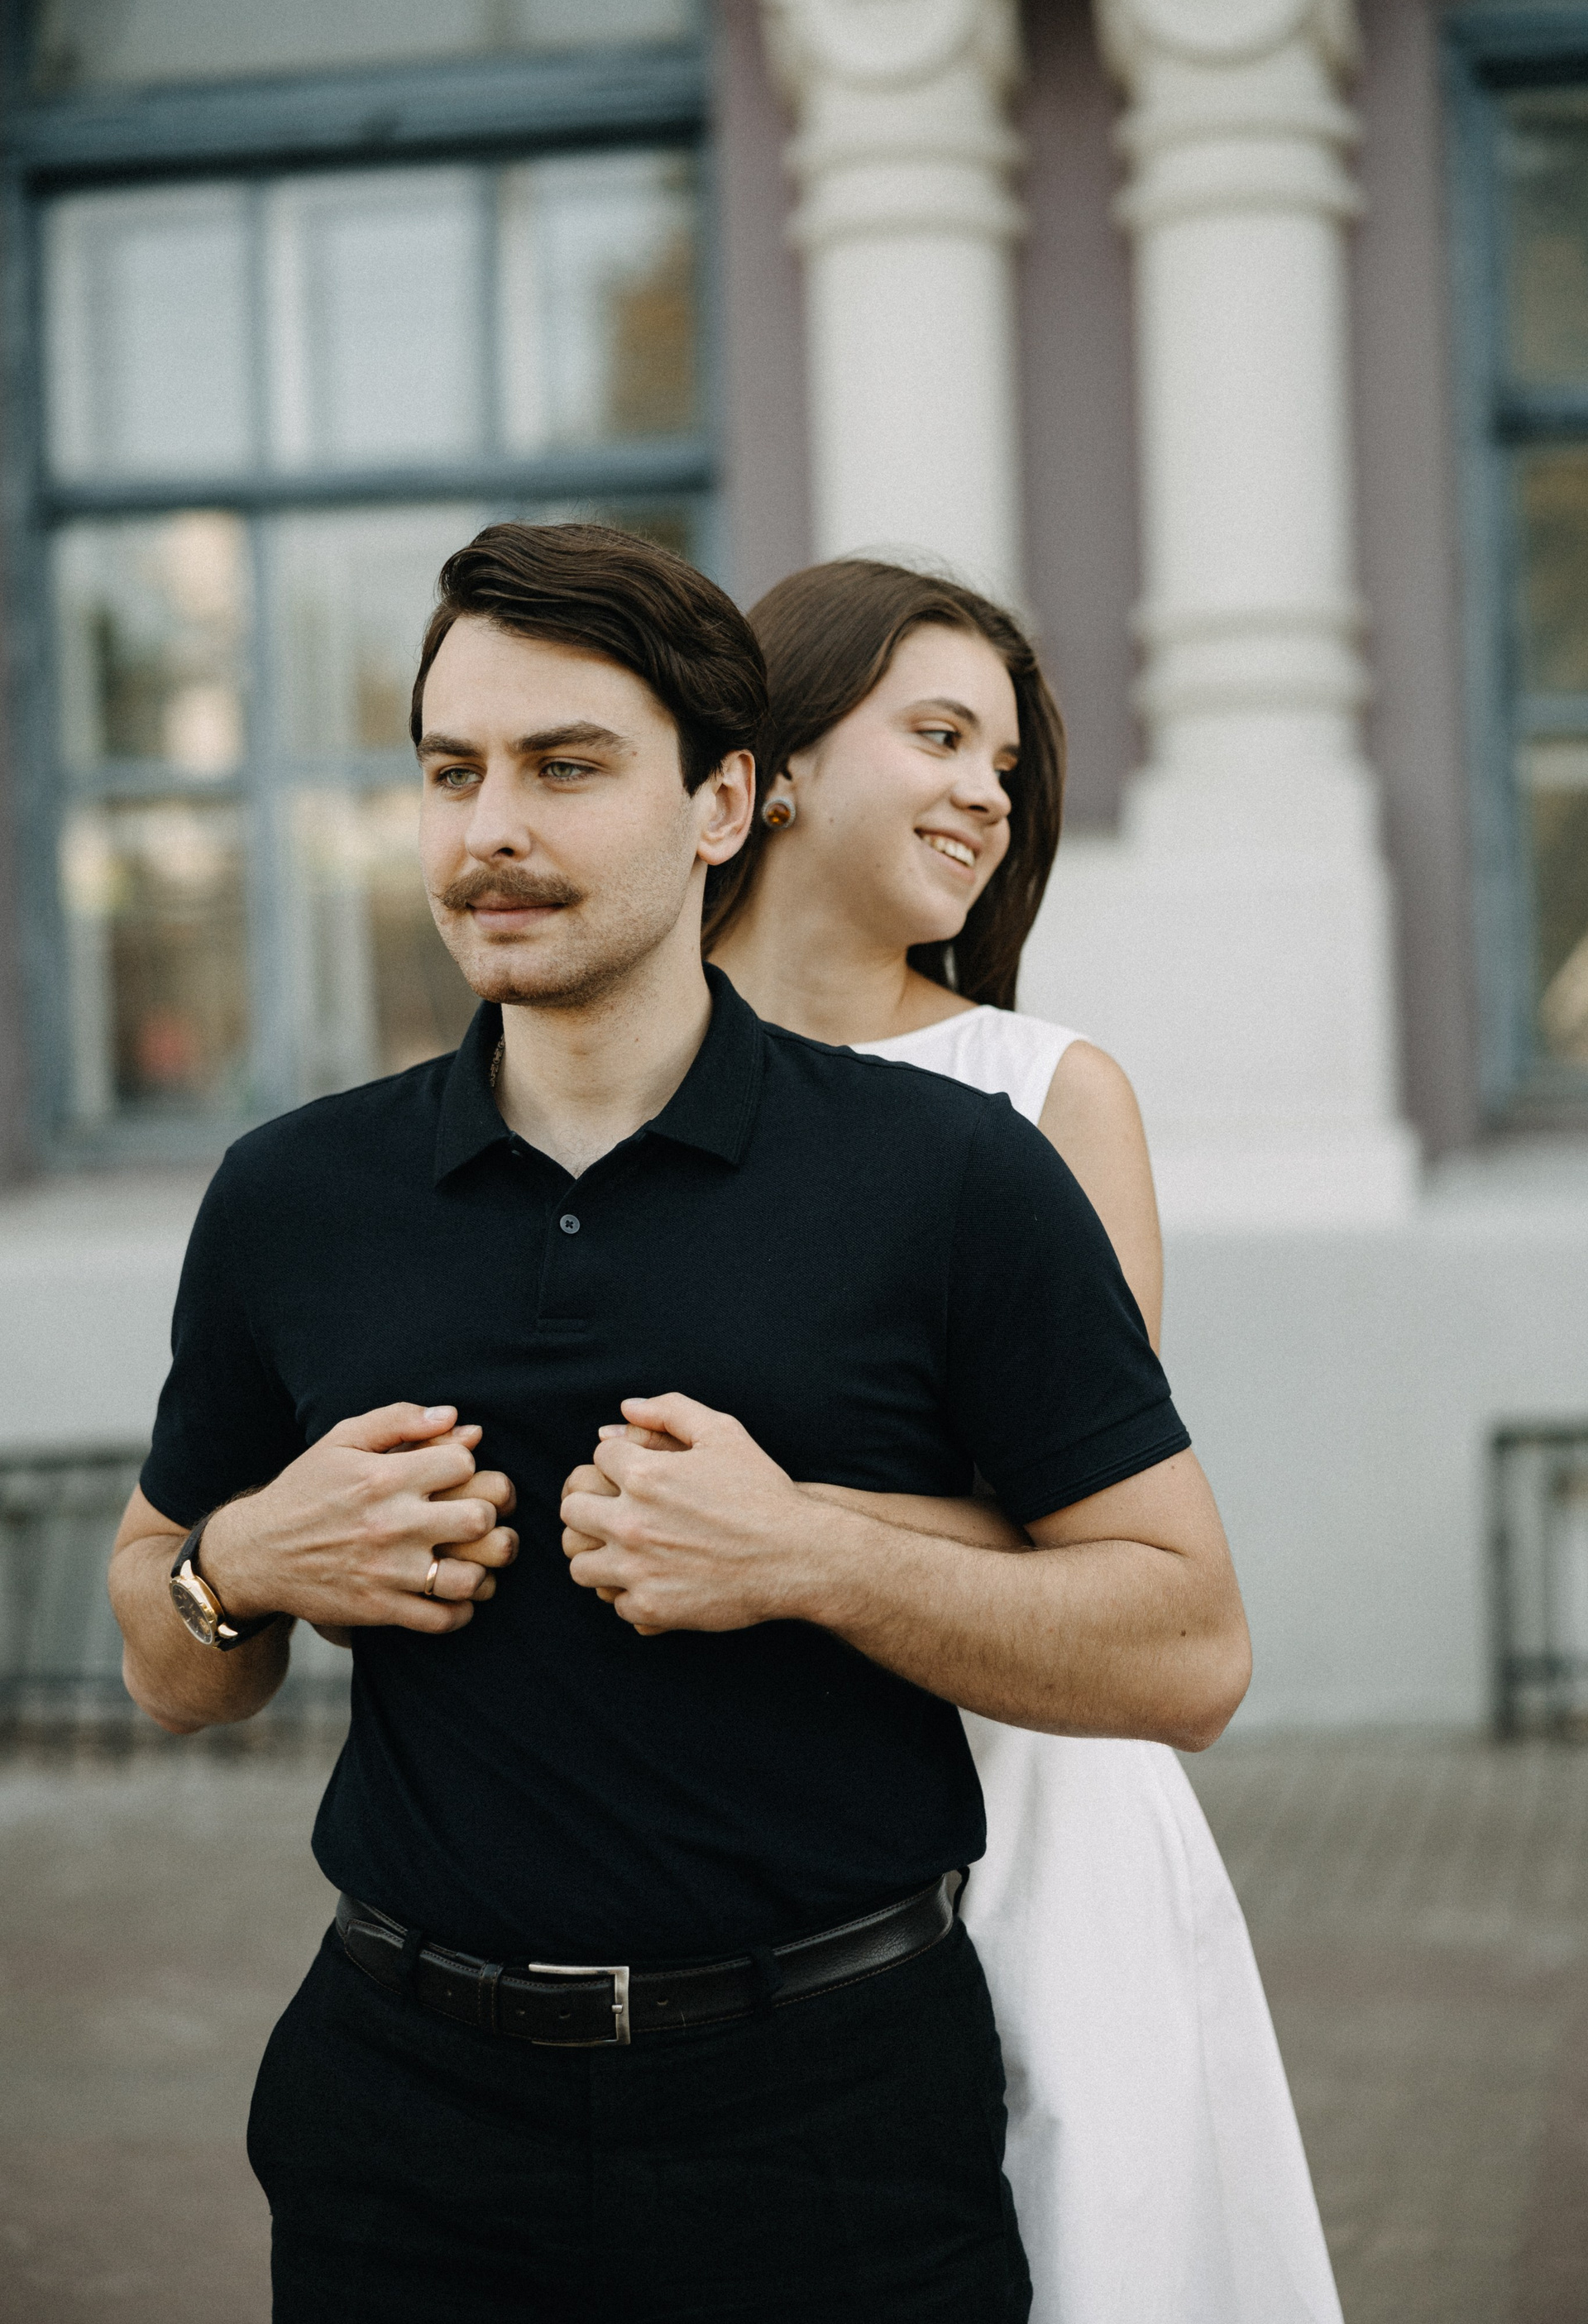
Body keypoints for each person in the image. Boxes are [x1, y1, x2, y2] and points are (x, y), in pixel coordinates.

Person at [108, 522, 1251, 2324]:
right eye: (453, 772)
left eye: (566, 768)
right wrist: (242, 1563)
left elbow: (1189, 1650)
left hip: (831, 2124)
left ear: (724, 802)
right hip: (404, 2121)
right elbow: (171, 1663)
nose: (491, 830)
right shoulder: (292, 1196)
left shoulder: (952, 1176)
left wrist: (809, 1556)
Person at [703, 555, 1345, 2324]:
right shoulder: (614, 1079)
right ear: (777, 762)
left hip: (1027, 1811)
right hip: (706, 1832)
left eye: (1003, 764)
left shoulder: (1046, 1096)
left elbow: (1101, 1537)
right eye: (938, 737)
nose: (987, 794)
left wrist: (773, 1524)